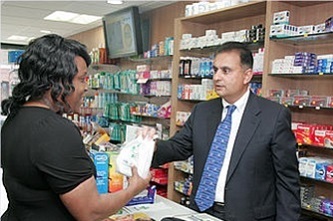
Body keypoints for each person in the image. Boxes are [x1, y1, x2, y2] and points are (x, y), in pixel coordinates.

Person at [1, 34, 151, 221]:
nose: (85, 87)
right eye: (82, 79)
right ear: (56, 81)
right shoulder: (55, 130)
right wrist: (135, 187)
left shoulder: (16, 118)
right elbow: (90, 212)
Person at [152, 41, 301, 220]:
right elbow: (178, 147)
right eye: (215, 70)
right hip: (202, 212)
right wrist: (150, 147)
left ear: (247, 76)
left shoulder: (273, 116)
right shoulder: (202, 111)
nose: (216, 77)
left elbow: (287, 180)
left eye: (226, 71)